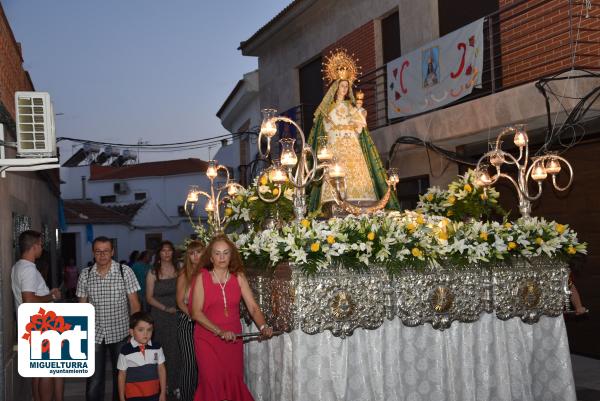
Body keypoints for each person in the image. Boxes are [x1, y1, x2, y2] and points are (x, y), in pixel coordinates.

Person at [307, 49, 399, 213]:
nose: (343, 89)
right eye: (341, 86)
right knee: (335, 172)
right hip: (336, 145)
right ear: (335, 88)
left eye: (346, 86)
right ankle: (333, 201)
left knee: (359, 172)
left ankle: (363, 201)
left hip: (353, 145)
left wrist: (360, 115)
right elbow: (323, 130)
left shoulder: (351, 107)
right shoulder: (327, 110)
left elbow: (359, 128)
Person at [190, 234, 273, 401]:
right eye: (217, 253)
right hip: (207, 338)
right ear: (211, 257)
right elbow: (196, 313)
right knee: (211, 382)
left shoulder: (239, 276)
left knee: (233, 382)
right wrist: (219, 331)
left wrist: (263, 326)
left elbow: (253, 307)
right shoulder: (202, 277)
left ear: (231, 255)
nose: (222, 257)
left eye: (226, 253)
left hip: (233, 339)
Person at [77, 236, 141, 401]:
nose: (102, 255)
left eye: (106, 251)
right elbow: (82, 307)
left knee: (120, 377)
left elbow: (135, 304)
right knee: (93, 379)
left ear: (112, 252)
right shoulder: (85, 274)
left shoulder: (124, 271)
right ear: (93, 253)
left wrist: (134, 332)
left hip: (120, 332)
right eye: (98, 251)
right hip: (94, 334)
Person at [11, 230, 63, 401]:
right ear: (33, 247)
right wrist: (52, 296)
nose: (42, 247)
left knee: (38, 371)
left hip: (31, 325)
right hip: (40, 326)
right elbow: (29, 299)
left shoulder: (18, 266)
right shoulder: (28, 270)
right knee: (46, 370)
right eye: (40, 244)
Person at [146, 241, 181, 398]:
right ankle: (163, 385)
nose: (166, 253)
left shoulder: (179, 268)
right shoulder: (153, 272)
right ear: (158, 254)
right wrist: (166, 309)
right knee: (162, 351)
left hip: (178, 315)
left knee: (177, 351)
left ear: (173, 252)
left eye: (169, 250)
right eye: (163, 250)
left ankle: (176, 385)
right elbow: (148, 298)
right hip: (160, 316)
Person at [175, 241, 203, 401]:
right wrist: (195, 317)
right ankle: (186, 396)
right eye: (192, 253)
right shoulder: (184, 273)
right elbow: (179, 302)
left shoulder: (208, 272)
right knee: (190, 364)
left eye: (198, 252)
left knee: (203, 364)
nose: (195, 256)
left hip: (206, 324)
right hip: (187, 322)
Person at [117, 312, 166, 401]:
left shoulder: (157, 347)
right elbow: (122, 375)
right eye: (141, 330)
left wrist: (162, 392)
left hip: (154, 394)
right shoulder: (125, 350)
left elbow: (161, 369)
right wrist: (121, 397)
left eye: (149, 330)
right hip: (133, 395)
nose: (145, 333)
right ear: (132, 332)